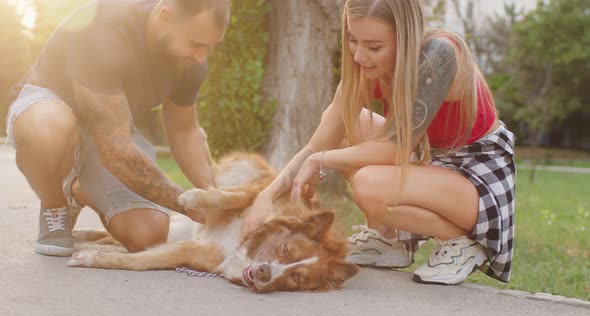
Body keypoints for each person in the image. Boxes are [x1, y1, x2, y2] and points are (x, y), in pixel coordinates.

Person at [243, 0, 515, 285]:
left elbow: (392, 150)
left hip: (478, 177)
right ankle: (388, 238)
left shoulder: (439, 54)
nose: (360, 55)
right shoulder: (365, 68)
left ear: (405, 38)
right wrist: (266, 197)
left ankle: (461, 242)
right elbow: (318, 143)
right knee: (347, 122)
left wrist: (320, 160)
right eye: (352, 40)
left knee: (369, 183)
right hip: (431, 161)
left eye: (374, 47)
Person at [5, 0, 230, 256]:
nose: (202, 57)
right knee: (47, 130)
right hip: (49, 107)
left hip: (110, 126)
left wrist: (213, 197)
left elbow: (184, 131)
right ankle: (55, 207)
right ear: (165, 17)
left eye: (211, 46)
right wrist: (187, 204)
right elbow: (117, 152)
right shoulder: (105, 30)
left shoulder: (190, 61)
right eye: (197, 44)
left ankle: (77, 191)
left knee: (148, 236)